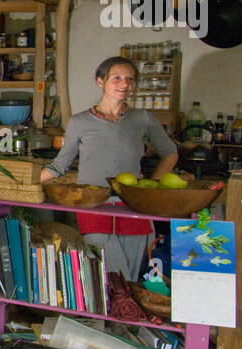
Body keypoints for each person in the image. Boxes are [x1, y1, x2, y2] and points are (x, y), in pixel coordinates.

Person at [40, 56, 179, 279]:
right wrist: (25, 182)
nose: (124, 84)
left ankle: (125, 313)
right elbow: (60, 166)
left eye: (130, 80)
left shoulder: (143, 119)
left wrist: (151, 185)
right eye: (117, 78)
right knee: (105, 279)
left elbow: (170, 153)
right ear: (100, 81)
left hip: (133, 206)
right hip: (94, 206)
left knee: (130, 281)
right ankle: (107, 315)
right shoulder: (80, 122)